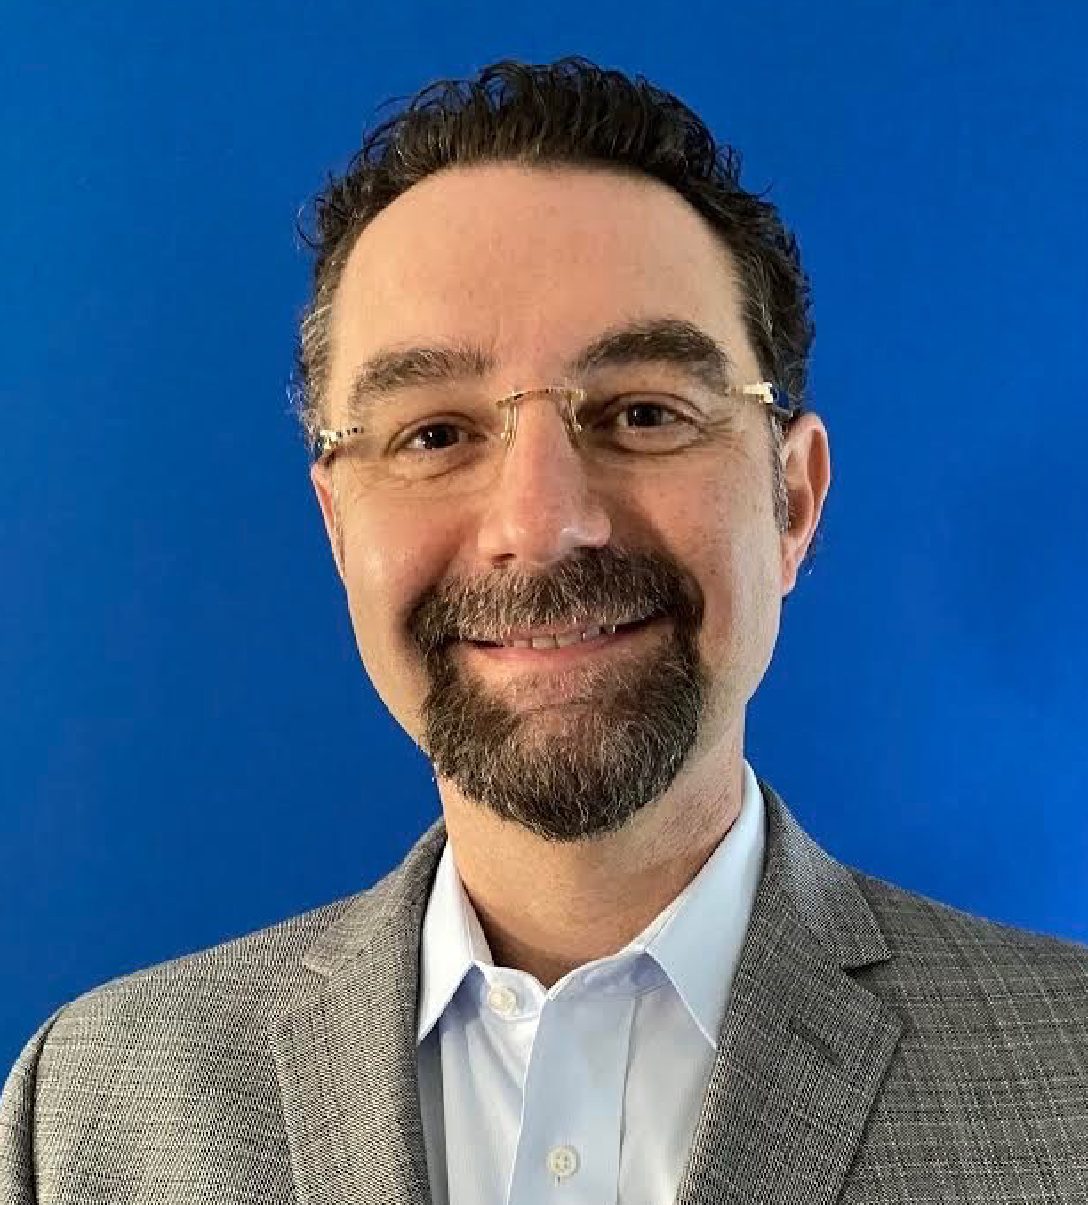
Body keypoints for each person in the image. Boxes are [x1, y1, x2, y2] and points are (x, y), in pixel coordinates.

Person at [2, 55, 1086, 1205]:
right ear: (337, 524)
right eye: (433, 434)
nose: (541, 522)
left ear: (790, 500)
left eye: (643, 412)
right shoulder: (87, 1113)